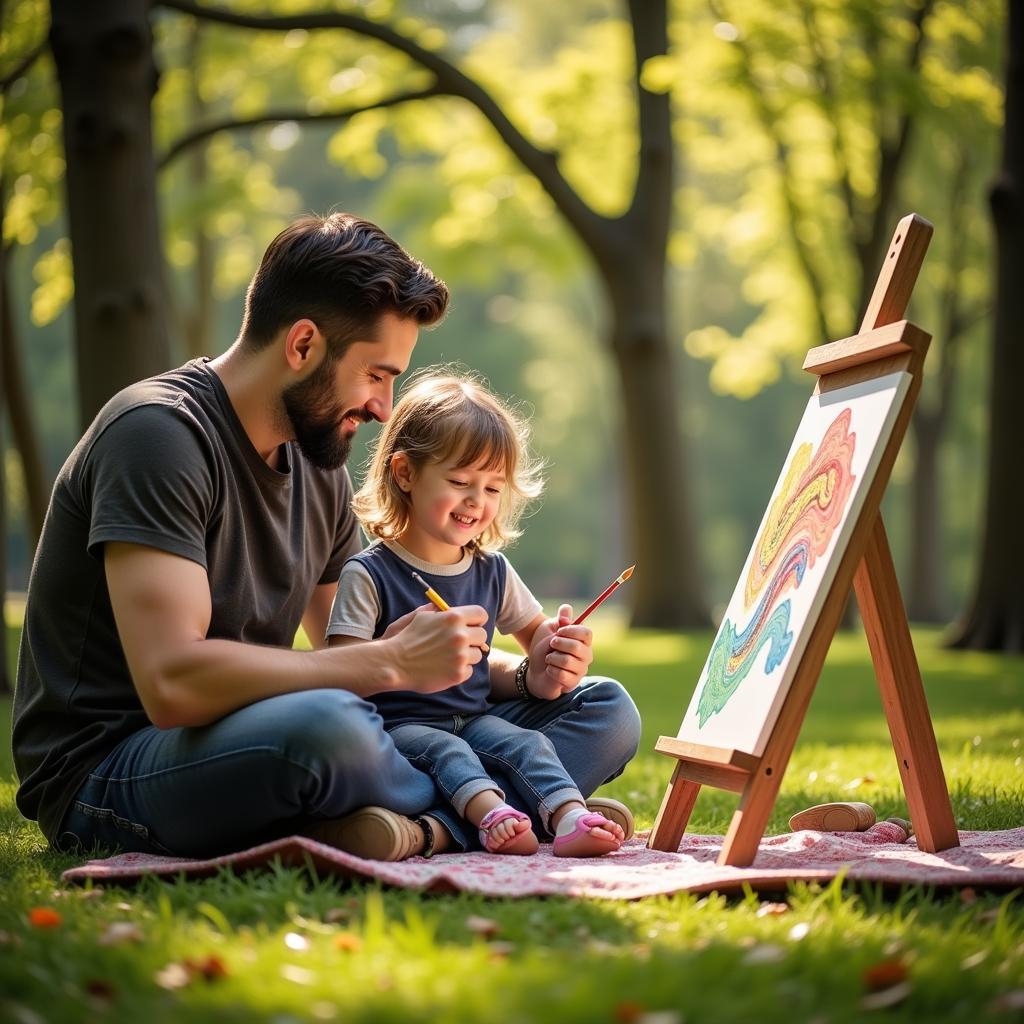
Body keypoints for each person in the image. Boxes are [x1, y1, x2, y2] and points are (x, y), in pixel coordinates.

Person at [12, 211, 641, 862]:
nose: (384, 408)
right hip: (114, 767)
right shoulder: (158, 436)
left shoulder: (317, 465)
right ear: (303, 345)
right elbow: (174, 685)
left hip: (261, 733)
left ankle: (438, 823)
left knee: (603, 711)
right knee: (331, 729)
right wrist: (390, 663)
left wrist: (525, 675)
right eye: (376, 374)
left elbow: (357, 649)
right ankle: (519, 804)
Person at [324, 372, 636, 857]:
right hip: (398, 734)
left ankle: (563, 816)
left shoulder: (492, 570)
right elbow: (337, 681)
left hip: (472, 717)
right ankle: (502, 815)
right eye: (460, 481)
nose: (478, 501)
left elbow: (535, 644)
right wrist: (395, 656)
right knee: (450, 753)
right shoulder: (369, 573)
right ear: (404, 473)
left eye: (493, 488)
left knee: (526, 743)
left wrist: (554, 652)